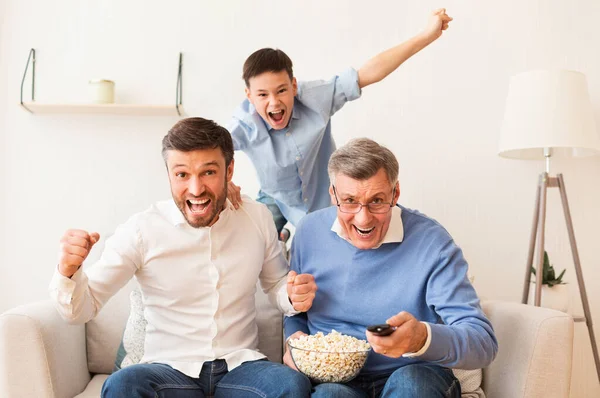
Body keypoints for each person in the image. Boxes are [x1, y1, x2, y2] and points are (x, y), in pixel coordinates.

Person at [49, 117, 317, 398]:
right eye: (182, 175)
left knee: (291, 385)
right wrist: (68, 271)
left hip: (241, 367)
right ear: (169, 175)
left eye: (208, 172)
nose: (195, 189)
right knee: (123, 385)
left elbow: (275, 284)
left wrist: (292, 295)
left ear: (229, 170)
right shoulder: (142, 230)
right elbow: (82, 308)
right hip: (169, 370)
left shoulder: (256, 217)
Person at [283, 138, 497, 397]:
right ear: (333, 194)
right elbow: (295, 312)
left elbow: (483, 342)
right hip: (334, 380)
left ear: (395, 193)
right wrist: (293, 341)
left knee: (412, 387)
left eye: (377, 201)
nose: (363, 218)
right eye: (349, 201)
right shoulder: (309, 232)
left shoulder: (432, 242)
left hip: (415, 371)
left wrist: (421, 338)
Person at [226, 9, 453, 238]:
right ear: (249, 96)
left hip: (323, 199)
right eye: (263, 95)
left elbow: (368, 73)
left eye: (281, 90)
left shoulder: (316, 97)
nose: (274, 102)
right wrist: (225, 181)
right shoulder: (244, 124)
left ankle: (291, 235)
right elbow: (206, 150)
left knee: (331, 247)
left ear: (294, 87)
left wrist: (427, 35)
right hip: (276, 197)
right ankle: (281, 233)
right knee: (251, 239)